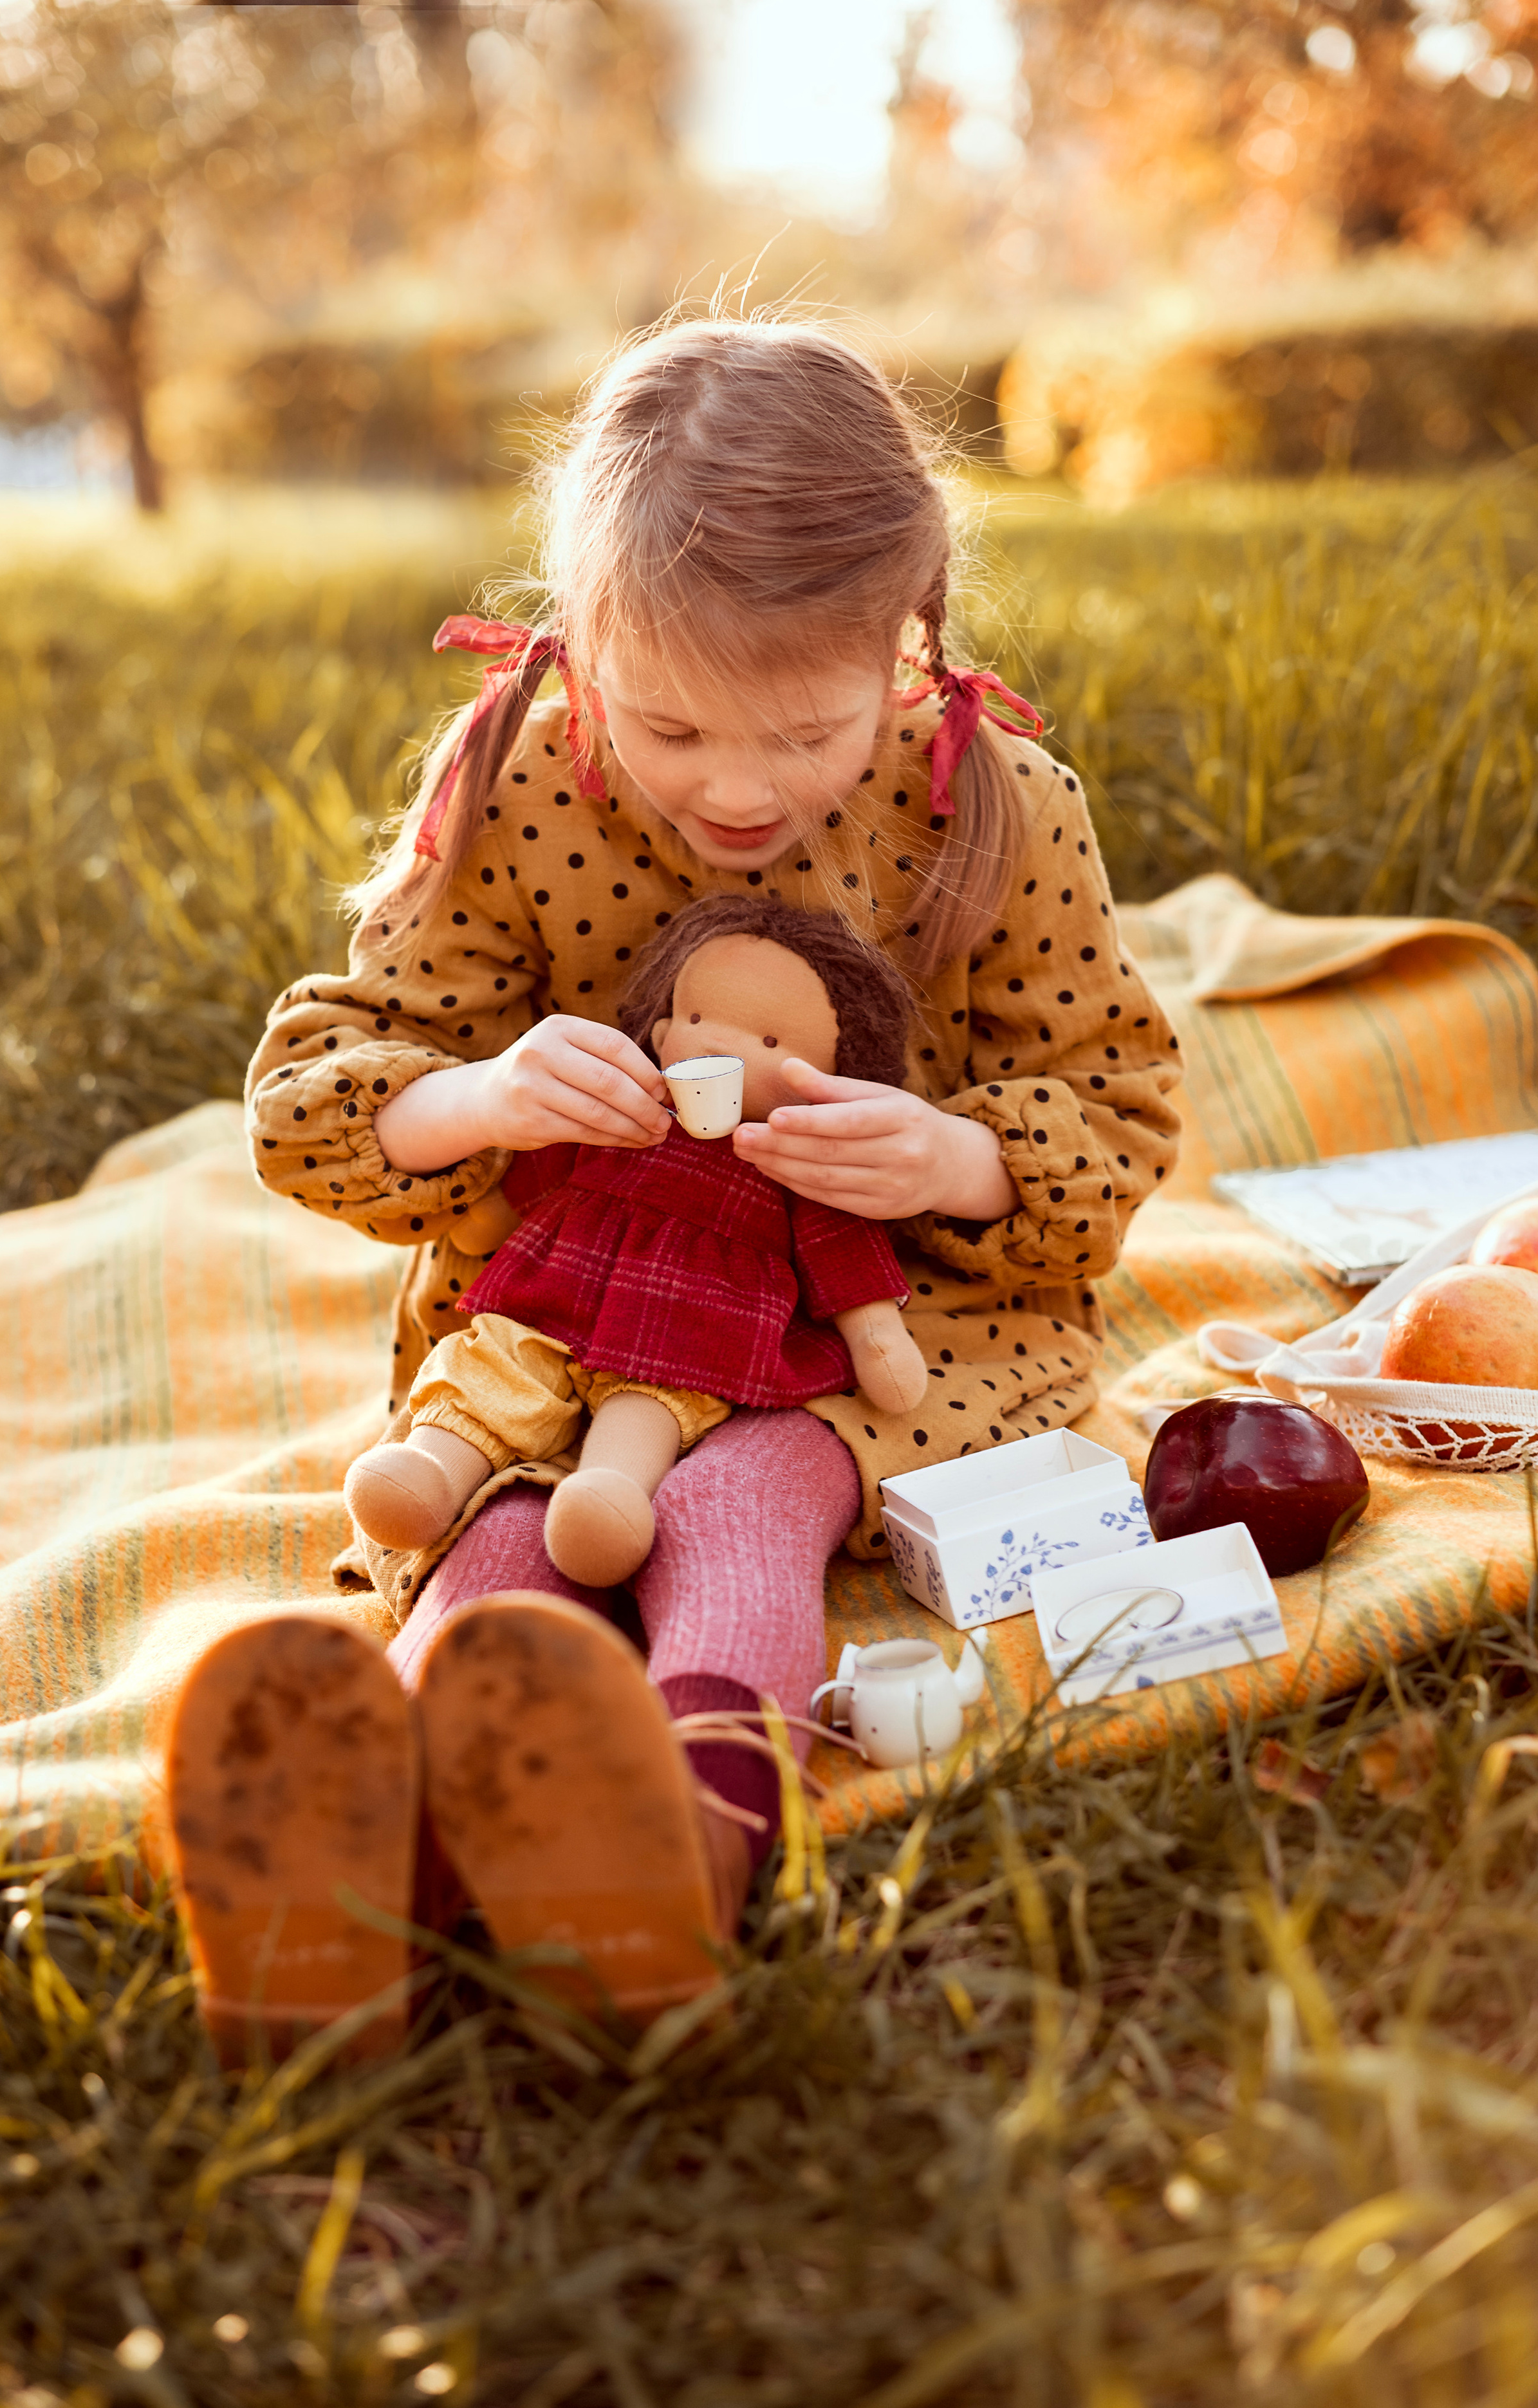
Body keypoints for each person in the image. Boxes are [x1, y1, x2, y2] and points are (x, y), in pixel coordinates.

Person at [163, 315, 1183, 2064]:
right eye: (669, 726)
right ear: (575, 647)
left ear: (907, 643)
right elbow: (317, 1089)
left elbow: (1120, 1098)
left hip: (879, 1323)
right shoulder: (511, 783)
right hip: (567, 1312)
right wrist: (475, 1100)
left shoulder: (1000, 806)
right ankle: (356, 1885)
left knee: (741, 1509)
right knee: (500, 1535)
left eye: (801, 733)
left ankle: (672, 1874)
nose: (735, 787)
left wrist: (951, 1155)